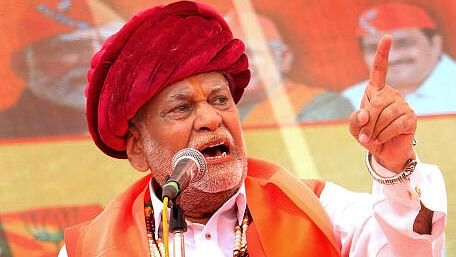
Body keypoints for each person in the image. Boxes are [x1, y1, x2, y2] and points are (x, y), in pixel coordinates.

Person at [59, 1, 446, 256]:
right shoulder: (90, 247)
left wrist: (397, 169)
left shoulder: (317, 210)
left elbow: (411, 249)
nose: (212, 119)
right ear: (138, 149)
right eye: (181, 108)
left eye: (220, 100)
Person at [0, 1, 121, 139]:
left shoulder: (142, 126)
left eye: (111, 46)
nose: (95, 59)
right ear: (23, 65)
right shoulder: (6, 132)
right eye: (71, 46)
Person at [225, 12, 353, 126]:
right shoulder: (212, 113)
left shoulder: (324, 106)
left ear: (284, 57)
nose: (237, 63)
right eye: (227, 56)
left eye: (250, 53)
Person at [342, 2, 456, 115]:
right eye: (374, 48)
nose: (391, 57)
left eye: (404, 43)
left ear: (435, 44)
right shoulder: (349, 102)